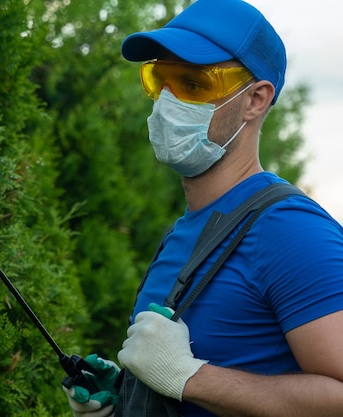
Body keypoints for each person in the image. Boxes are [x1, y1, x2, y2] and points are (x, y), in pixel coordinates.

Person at [62, 0, 343, 416]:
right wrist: (128, 397)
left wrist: (191, 377)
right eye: (161, 80)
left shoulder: (288, 229)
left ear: (255, 100)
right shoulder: (185, 233)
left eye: (194, 85)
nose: (168, 103)